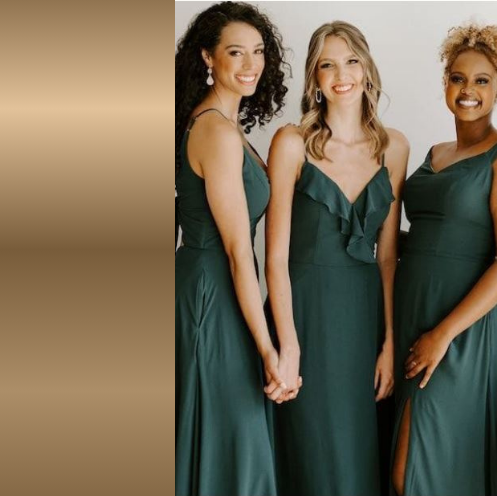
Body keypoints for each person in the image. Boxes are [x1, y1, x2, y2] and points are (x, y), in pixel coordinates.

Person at [264, 21, 409, 496]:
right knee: (311, 449)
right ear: (315, 77)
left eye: (350, 61)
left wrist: (389, 342)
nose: (340, 74)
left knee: (359, 450)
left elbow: (388, 257)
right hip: (304, 312)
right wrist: (288, 346)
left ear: (367, 68)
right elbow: (276, 258)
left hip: (363, 316)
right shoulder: (291, 143)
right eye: (327, 64)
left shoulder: (395, 148)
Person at [391, 23, 497, 496]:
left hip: (461, 329)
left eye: (481, 80)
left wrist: (443, 335)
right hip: (412, 312)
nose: (468, 90)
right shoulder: (435, 152)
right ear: (445, 84)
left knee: (420, 466)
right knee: (399, 456)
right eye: (457, 78)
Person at [174, 2, 292, 495]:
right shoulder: (216, 132)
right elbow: (239, 252)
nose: (250, 64)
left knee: (230, 433)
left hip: (219, 288)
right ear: (207, 57)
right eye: (236, 53)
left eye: (259, 52)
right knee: (232, 431)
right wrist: (270, 348)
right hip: (212, 292)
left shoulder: (226, 125)